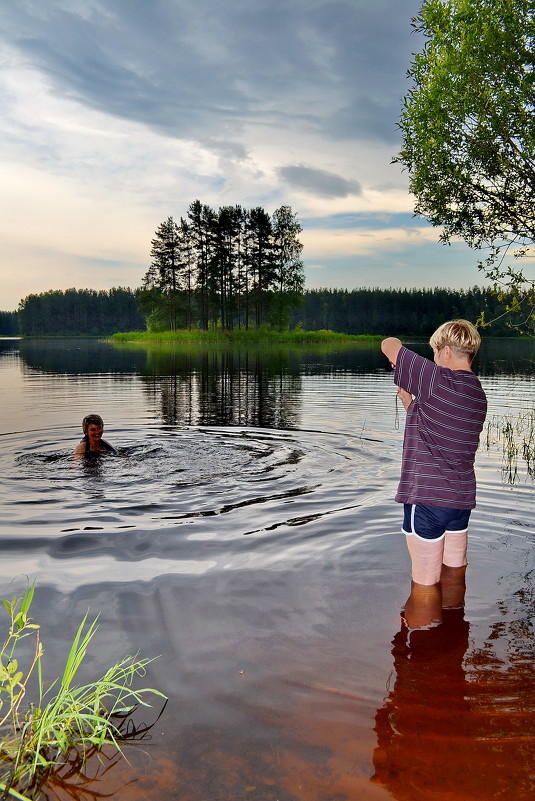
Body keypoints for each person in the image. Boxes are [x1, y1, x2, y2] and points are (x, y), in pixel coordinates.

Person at [381, 320, 487, 587]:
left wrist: (399, 361)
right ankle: (453, 620)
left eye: (435, 353)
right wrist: (412, 406)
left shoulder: (436, 378)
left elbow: (389, 345)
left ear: (447, 351)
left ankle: (421, 627)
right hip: (460, 501)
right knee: (454, 574)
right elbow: (443, 432)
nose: (435, 359)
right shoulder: (477, 392)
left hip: (428, 498)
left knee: (424, 586)